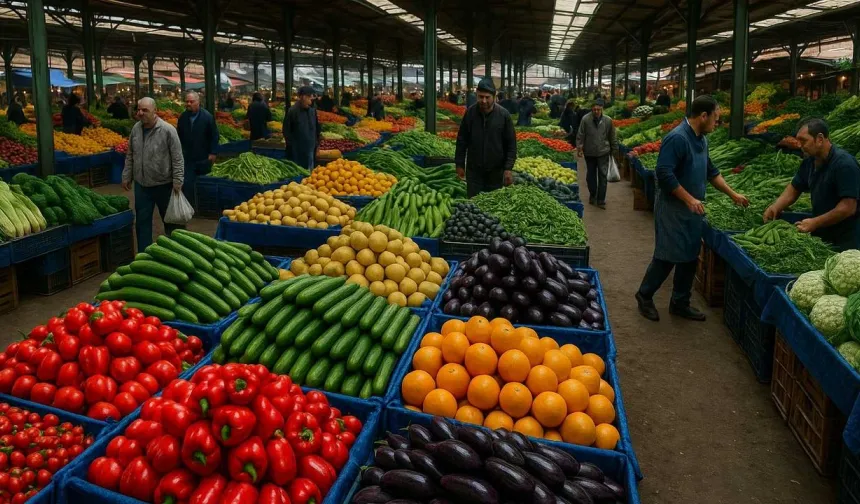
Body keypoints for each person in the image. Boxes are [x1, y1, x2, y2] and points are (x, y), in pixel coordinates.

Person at [635, 95, 749, 322]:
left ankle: (680, 302)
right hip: (673, 209)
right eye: (716, 119)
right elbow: (664, 174)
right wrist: (688, 199)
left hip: (692, 209)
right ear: (703, 116)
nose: (717, 124)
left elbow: (711, 172)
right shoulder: (677, 138)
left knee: (689, 257)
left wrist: (733, 194)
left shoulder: (701, 139)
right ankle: (644, 295)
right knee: (667, 256)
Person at [764, 118, 860, 251]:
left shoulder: (845, 165)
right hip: (823, 234)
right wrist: (776, 206)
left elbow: (848, 207)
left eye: (804, 140)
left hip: (845, 240)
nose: (799, 145)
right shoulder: (810, 161)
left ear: (820, 139)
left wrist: (816, 222)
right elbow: (794, 188)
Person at [122, 97, 185, 250]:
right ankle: (145, 255)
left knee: (172, 222)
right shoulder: (136, 129)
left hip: (165, 184)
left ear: (155, 111)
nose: (140, 113)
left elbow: (177, 157)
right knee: (142, 223)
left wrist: (178, 180)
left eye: (145, 110)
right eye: (139, 110)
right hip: (142, 185)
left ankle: (177, 253)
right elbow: (130, 153)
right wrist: (127, 175)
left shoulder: (168, 130)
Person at [455, 77, 517, 198]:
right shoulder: (470, 113)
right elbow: (462, 140)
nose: (483, 100)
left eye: (487, 97)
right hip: (474, 172)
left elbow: (511, 144)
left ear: (494, 96)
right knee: (474, 205)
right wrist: (459, 164)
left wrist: (508, 168)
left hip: (496, 172)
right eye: (480, 97)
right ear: (476, 95)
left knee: (493, 204)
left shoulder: (504, 115)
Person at [176, 91, 219, 207]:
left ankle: (203, 206)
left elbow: (214, 136)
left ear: (198, 102)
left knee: (203, 183)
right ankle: (190, 207)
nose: (188, 104)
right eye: (187, 101)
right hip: (188, 157)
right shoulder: (183, 118)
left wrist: (213, 153)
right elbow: (178, 136)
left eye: (192, 101)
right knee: (187, 183)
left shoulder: (207, 117)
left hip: (203, 156)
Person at [576, 99, 618, 208]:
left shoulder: (608, 121)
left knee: (603, 176)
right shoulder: (585, 119)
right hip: (589, 152)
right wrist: (579, 148)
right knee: (591, 176)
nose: (596, 111)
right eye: (594, 109)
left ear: (602, 109)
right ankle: (593, 195)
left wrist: (614, 150)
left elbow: (612, 136)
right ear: (591, 109)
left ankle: (601, 200)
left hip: (603, 152)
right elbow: (581, 134)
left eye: (598, 109)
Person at [284, 86, 321, 170]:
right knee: (299, 172)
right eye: (309, 98)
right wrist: (292, 146)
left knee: (310, 172)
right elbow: (286, 130)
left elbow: (316, 127)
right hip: (297, 150)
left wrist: (317, 143)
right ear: (302, 97)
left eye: (311, 98)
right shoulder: (292, 111)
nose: (310, 101)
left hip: (311, 147)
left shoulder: (312, 110)